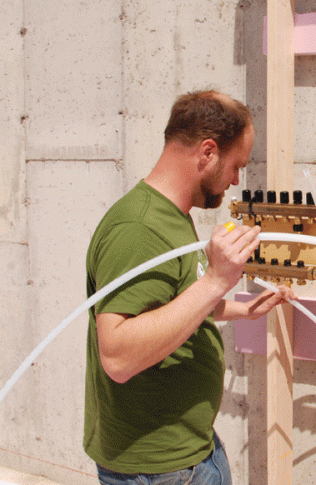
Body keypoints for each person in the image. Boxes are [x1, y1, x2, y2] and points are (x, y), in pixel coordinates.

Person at [84, 90, 294, 485]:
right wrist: (216, 280)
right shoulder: (138, 228)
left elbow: (173, 305)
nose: (235, 180)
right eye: (236, 166)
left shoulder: (174, 215)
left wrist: (244, 309)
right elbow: (117, 357)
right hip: (157, 469)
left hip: (191, 450)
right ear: (208, 152)